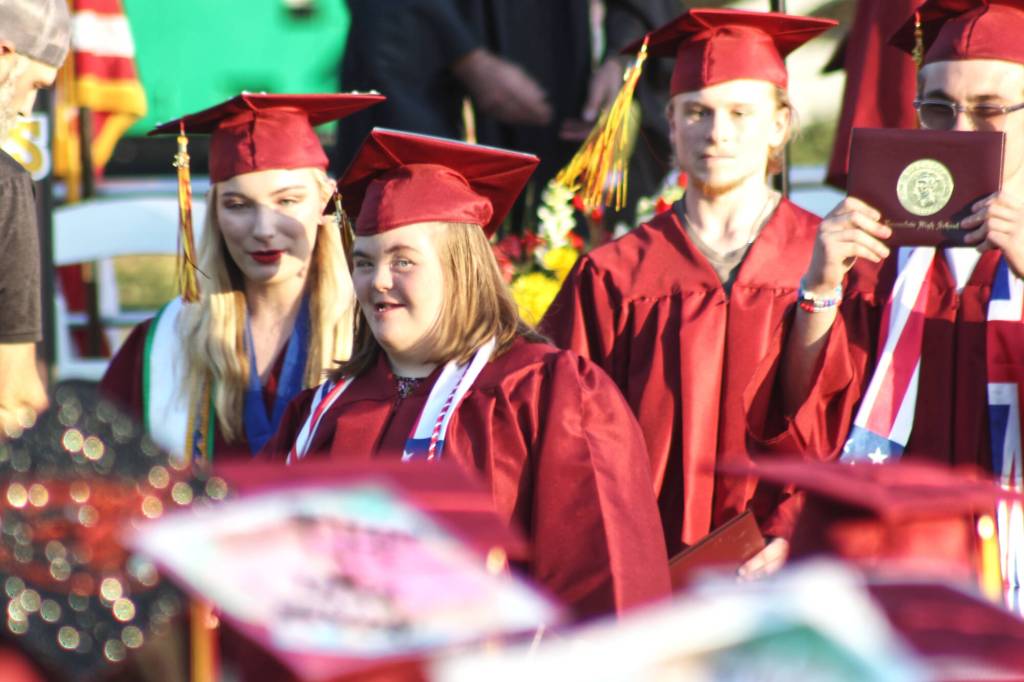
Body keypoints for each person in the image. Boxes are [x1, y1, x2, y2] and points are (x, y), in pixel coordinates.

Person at [266, 128, 671, 619]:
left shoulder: (548, 395)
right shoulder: (316, 416)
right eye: (364, 262)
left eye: (403, 260)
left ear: (460, 267)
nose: (379, 281)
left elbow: (608, 588)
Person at [540, 9, 836, 573]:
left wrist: (795, 530)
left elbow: (851, 423)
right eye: (697, 112)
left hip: (797, 561)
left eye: (740, 112)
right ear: (671, 123)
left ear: (779, 125)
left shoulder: (828, 261)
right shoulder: (612, 276)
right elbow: (569, 440)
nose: (717, 131)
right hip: (648, 568)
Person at [100, 93, 383, 463]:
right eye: (237, 205)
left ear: (326, 200)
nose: (263, 229)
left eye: (287, 201)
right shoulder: (163, 341)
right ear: (214, 211)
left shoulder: (371, 335)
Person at [335, 0, 682, 220]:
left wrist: (623, 54)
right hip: (422, 66)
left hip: (561, 68)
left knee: (560, 230)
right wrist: (464, 55)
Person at [0, 0, 71, 438]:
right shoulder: (5, 187)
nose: (28, 109)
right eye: (36, 85)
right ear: (4, 55)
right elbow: (13, 392)